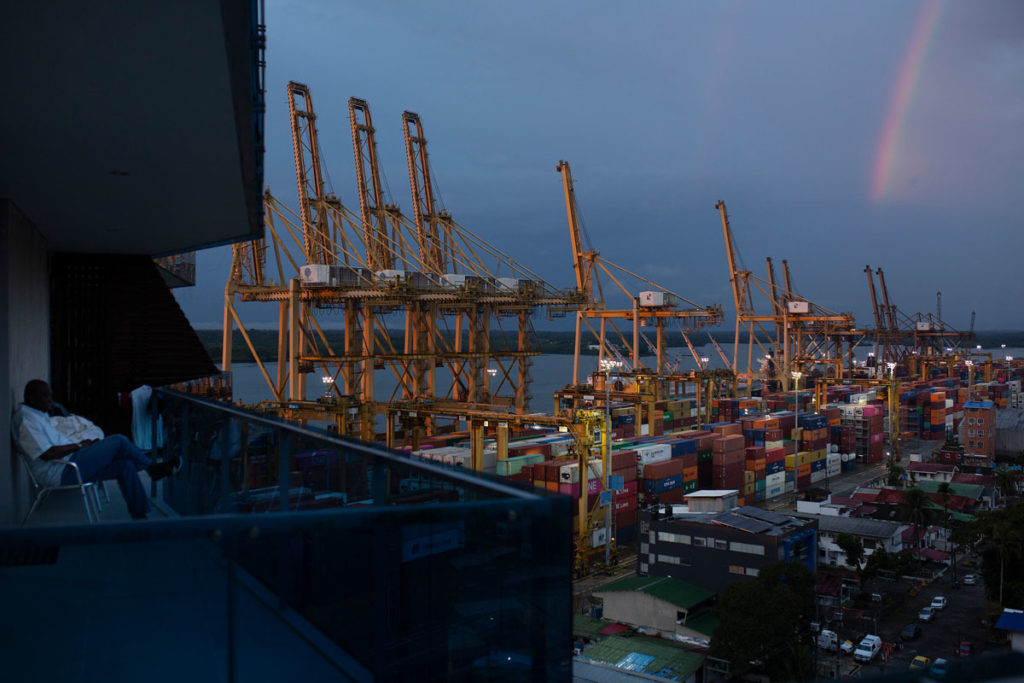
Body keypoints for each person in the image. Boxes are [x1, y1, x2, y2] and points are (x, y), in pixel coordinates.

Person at [11, 379, 178, 520]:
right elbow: (48, 454)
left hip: (71, 461)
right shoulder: (26, 420)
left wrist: (83, 445)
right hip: (61, 471)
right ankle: (152, 468)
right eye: (45, 396)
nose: (50, 400)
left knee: (125, 465)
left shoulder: (36, 413)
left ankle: (140, 517)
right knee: (119, 441)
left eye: (50, 395)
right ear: (30, 397)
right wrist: (78, 445)